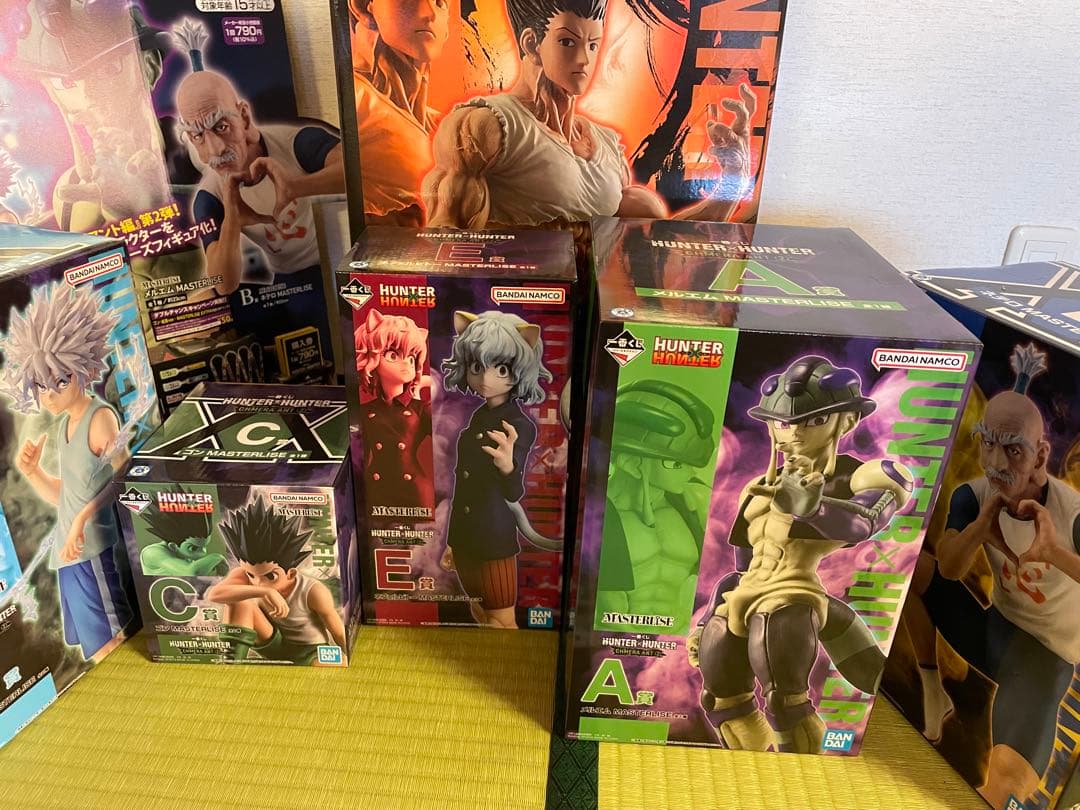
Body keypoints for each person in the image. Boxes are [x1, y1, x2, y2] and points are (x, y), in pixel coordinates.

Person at [689, 356, 914, 753]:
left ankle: (799, 771)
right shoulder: (756, 489)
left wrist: (813, 507)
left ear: (846, 420)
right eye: (782, 422)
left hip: (795, 595)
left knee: (784, 698)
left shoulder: (864, 475)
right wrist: (706, 619)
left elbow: (863, 523)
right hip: (743, 599)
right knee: (723, 700)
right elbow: (742, 570)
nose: (792, 432)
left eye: (813, 420)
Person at [906, 343, 1080, 809]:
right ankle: (932, 690)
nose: (997, 463)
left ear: (1041, 455)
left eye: (1014, 450)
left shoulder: (1072, 512)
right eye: (989, 443)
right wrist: (982, 525)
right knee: (908, 568)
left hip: (1045, 657)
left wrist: (1055, 553)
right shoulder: (975, 495)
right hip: (993, 632)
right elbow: (949, 568)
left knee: (1002, 786)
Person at [421, 0, 756, 228]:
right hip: (522, 301)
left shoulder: (607, 145)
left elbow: (661, 247)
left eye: (593, 45)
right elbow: (446, 240)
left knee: (645, 207)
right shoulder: (485, 125)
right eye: (568, 42)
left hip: (598, 305)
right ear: (531, 43)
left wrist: (733, 179)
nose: (584, 59)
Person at [0, 281, 134, 662]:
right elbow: (69, 495)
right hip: (70, 555)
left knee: (110, 641)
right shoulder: (64, 426)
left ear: (83, 368)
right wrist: (33, 473)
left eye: (60, 380)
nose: (49, 394)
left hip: (92, 550)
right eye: (41, 385)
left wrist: (82, 520)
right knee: (93, 648)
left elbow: (124, 480)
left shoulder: (100, 418)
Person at [177, 70, 345, 296]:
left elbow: (363, 169)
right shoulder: (210, 196)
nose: (215, 149)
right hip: (289, 280)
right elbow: (224, 284)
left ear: (244, 118)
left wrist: (297, 187)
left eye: (222, 127)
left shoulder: (292, 143)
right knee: (201, 299)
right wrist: (233, 220)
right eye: (198, 136)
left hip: (336, 258)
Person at [439, 310, 550, 628]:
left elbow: (514, 492)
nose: (486, 379)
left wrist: (507, 466)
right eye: (477, 367)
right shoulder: (479, 417)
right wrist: (453, 541)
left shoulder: (519, 425)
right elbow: (464, 486)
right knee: (479, 612)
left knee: (501, 620)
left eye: (501, 369)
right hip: (466, 540)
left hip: (493, 540)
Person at [593, 381, 715, 628]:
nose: (690, 472)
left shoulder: (692, 504)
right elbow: (608, 609)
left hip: (680, 639)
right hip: (615, 640)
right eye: (676, 464)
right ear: (633, 464)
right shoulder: (601, 518)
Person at [208, 495, 346, 665]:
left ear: (291, 573)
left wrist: (345, 653)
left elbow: (336, 628)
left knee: (330, 665)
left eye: (270, 576)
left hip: (310, 650)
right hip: (274, 643)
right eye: (251, 575)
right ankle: (230, 662)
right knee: (239, 600)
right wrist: (266, 591)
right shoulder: (244, 575)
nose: (258, 582)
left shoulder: (312, 591)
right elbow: (215, 595)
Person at [347, 0, 449, 224]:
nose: (430, 13)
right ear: (363, 7)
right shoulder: (355, 101)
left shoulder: (442, 125)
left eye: (440, 2)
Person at [354, 309, 434, 512]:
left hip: (415, 494)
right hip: (377, 491)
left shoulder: (421, 409)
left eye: (412, 357)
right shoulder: (365, 411)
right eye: (393, 355)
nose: (406, 363)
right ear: (371, 358)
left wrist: (428, 386)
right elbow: (358, 457)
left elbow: (449, 444)